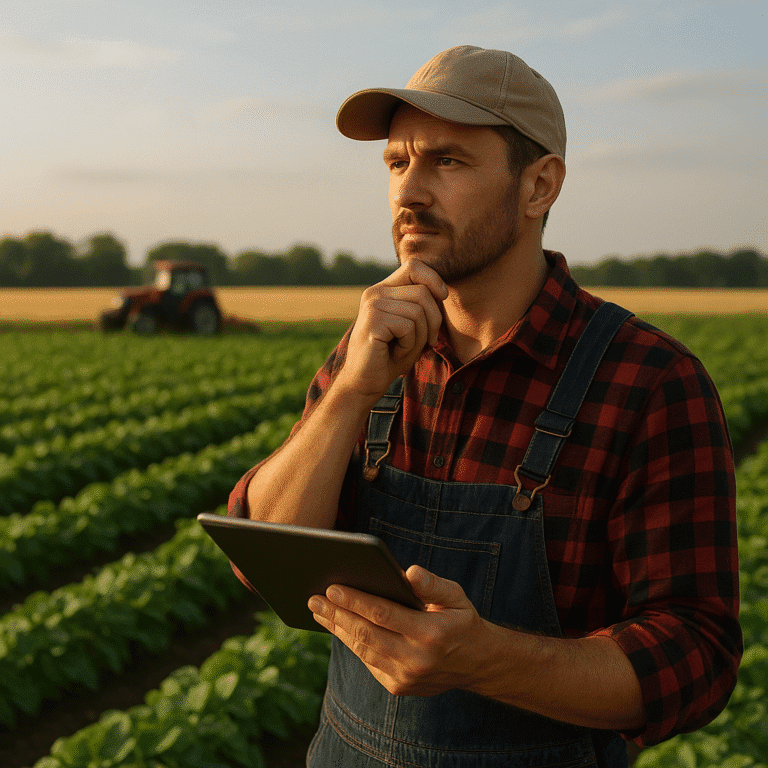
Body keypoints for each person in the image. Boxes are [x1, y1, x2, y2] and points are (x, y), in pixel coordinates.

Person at [228, 45, 742, 767]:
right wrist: (350, 393)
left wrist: (486, 660)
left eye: (448, 161)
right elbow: (266, 556)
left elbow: (696, 653)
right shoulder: (373, 348)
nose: (409, 192)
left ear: (539, 186)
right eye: (397, 163)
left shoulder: (650, 380)